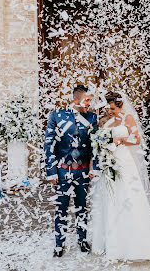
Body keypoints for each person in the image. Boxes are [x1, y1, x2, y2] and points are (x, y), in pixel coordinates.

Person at [91, 91, 150, 261]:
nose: (109, 111)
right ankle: (111, 242)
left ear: (120, 105)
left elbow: (137, 140)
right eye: (107, 108)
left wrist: (119, 141)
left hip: (124, 162)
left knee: (127, 197)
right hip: (108, 163)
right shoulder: (104, 120)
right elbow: (98, 140)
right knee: (110, 199)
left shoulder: (127, 118)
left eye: (112, 108)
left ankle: (133, 243)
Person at [44, 85, 99, 258]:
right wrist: (51, 170)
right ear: (76, 99)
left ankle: (82, 239)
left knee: (82, 207)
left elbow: (96, 145)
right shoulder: (56, 116)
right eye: (87, 100)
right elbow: (49, 144)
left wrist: (95, 167)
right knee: (61, 208)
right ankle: (59, 243)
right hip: (62, 172)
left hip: (83, 171)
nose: (90, 103)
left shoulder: (92, 117)